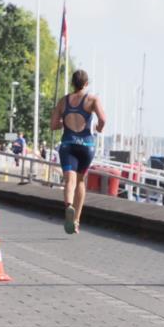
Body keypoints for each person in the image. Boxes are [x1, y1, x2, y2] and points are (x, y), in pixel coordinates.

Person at [51, 69, 107, 235]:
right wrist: (99, 128)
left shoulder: (63, 101)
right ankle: (76, 221)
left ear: (72, 83)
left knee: (69, 180)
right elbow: (103, 119)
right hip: (86, 146)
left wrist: (65, 123)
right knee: (81, 182)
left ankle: (68, 206)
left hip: (68, 145)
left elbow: (53, 125)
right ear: (86, 83)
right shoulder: (92, 99)